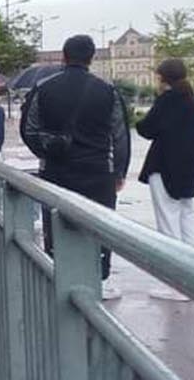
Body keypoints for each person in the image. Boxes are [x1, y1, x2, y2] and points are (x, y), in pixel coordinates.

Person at [21, 35, 131, 298]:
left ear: (64, 55)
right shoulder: (108, 91)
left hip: (57, 170)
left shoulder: (44, 88)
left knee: (58, 222)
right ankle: (98, 279)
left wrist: (47, 151)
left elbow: (29, 129)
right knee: (99, 224)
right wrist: (119, 171)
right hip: (98, 171)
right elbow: (120, 135)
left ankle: (57, 274)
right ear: (92, 58)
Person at [136, 59, 194, 248]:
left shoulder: (167, 99)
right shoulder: (193, 99)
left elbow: (147, 128)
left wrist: (139, 121)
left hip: (165, 165)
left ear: (162, 77)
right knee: (186, 213)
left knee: (167, 217)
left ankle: (173, 261)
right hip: (190, 166)